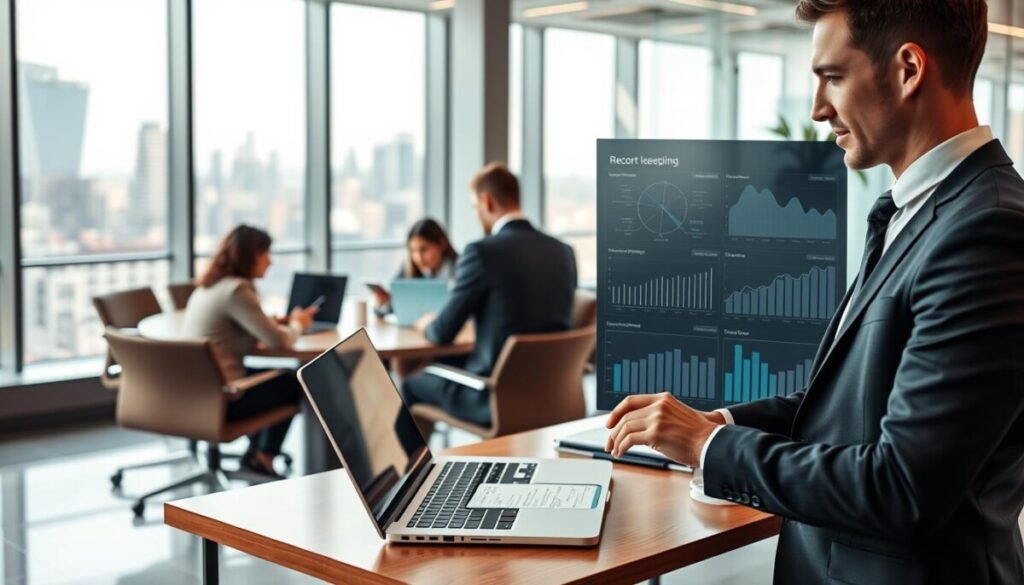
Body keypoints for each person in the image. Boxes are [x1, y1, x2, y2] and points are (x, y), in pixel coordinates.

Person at [606, 2, 1024, 583]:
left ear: (908, 69)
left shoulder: (988, 230)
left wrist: (707, 446)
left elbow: (901, 487)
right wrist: (716, 422)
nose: (817, 108)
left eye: (832, 76)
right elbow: (852, 409)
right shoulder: (910, 211)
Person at [402, 163, 577, 428]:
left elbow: (442, 333)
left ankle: (416, 470)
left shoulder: (481, 253)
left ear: (486, 201)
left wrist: (425, 323)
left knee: (410, 383)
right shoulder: (564, 252)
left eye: (474, 207)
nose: (476, 213)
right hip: (554, 393)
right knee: (439, 365)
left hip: (493, 395)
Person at [181, 224, 319, 479]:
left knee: (274, 376)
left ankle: (257, 452)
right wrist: (298, 323)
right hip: (223, 398)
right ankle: (262, 458)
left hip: (192, 393)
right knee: (295, 382)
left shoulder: (210, 286)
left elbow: (233, 329)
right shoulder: (237, 290)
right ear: (251, 255)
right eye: (266, 254)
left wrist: (268, 322)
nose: (270, 261)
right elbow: (280, 342)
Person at [372, 218, 458, 317]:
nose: (418, 257)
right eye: (413, 251)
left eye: (424, 249)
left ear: (442, 244)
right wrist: (383, 303)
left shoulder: (461, 269)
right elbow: (392, 307)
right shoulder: (409, 267)